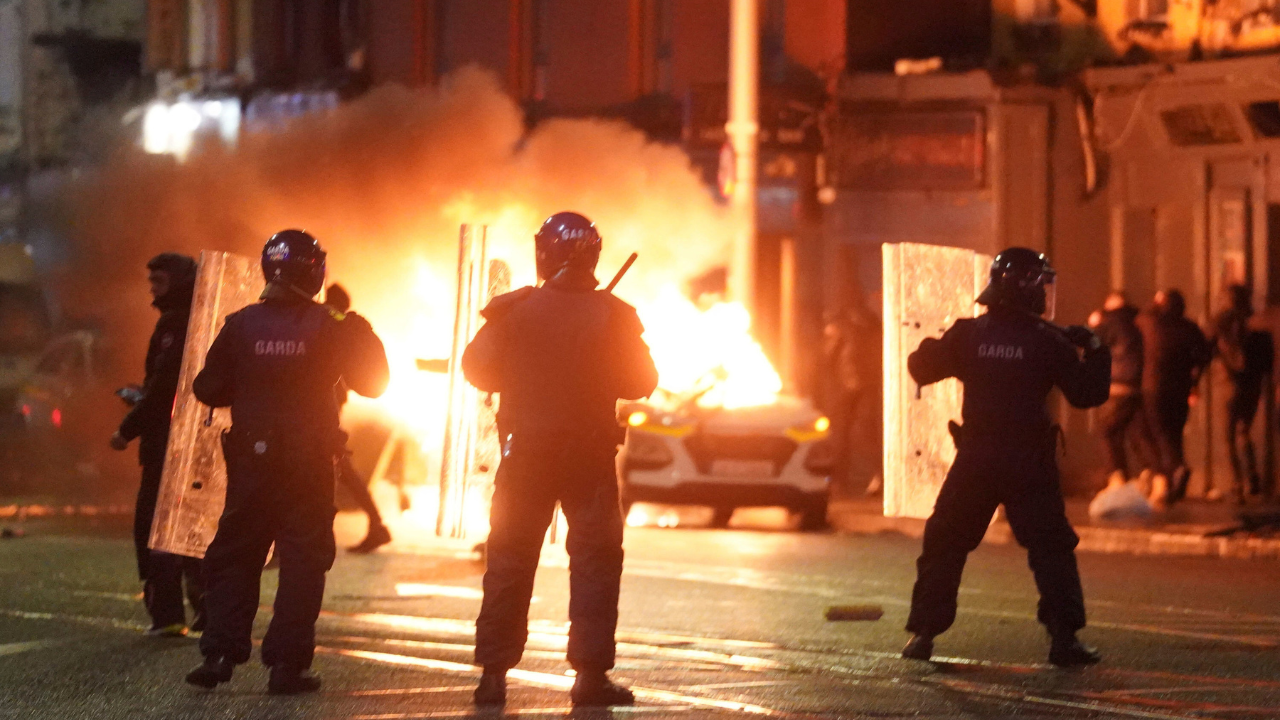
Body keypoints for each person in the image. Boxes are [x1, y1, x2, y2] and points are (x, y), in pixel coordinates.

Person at [461, 212, 658, 708]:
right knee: (595, 563)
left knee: (509, 558)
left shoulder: (516, 309)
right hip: (587, 458)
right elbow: (642, 382)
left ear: (544, 253)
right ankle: (590, 677)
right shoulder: (613, 314)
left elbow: (476, 368)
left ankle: (493, 677)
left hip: (524, 456)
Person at [184, 230, 389, 695]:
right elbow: (374, 383)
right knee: (302, 562)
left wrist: (253, 384)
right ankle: (286, 666)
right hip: (309, 462)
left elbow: (207, 389)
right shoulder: (334, 322)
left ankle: (218, 654)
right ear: (314, 271)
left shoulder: (240, 323)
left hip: (252, 462)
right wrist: (358, 328)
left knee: (236, 555)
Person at [901, 247, 1110, 667]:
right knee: (1050, 548)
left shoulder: (969, 334)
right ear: (1027, 288)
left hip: (977, 458)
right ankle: (1063, 639)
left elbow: (921, 367)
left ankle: (923, 635)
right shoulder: (1048, 342)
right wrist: (1095, 349)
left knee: (945, 542)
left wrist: (943, 340)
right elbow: (1088, 394)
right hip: (1029, 462)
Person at [110, 253, 205, 637]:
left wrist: (128, 428)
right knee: (191, 529)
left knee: (155, 528)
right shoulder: (202, 319)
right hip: (193, 444)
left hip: (168, 445)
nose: (152, 288)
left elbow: (166, 389)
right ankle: (207, 612)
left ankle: (167, 615)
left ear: (179, 281)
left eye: (160, 281)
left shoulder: (174, 323)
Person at [322, 283, 392, 553]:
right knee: (344, 469)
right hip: (326, 408)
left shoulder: (331, 324)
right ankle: (377, 524)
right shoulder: (342, 326)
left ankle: (377, 525)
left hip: (322, 409)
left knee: (337, 466)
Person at [1138, 289, 1211, 505]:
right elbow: (1204, 355)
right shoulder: (1190, 328)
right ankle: (1172, 482)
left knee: (1157, 432)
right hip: (1181, 388)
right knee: (1175, 432)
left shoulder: (1151, 323)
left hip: (1154, 385)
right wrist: (1194, 381)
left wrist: (1155, 302)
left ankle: (1176, 468)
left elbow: (1142, 316)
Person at [1210, 285, 1274, 504]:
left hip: (1226, 383)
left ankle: (1237, 485)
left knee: (1227, 437)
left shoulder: (1220, 321)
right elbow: (1267, 359)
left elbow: (1207, 348)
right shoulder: (1257, 323)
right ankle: (1253, 478)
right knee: (1243, 431)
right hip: (1252, 385)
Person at [1088, 291, 1157, 488]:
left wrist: (1094, 325)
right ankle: (1150, 471)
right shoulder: (1138, 322)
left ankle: (1117, 477)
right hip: (1137, 385)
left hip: (1117, 386)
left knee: (1107, 432)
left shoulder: (1110, 322)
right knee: (1135, 432)